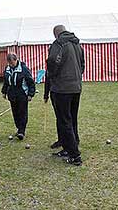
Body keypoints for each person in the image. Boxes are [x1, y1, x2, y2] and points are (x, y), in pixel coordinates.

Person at [46, 25, 84, 166]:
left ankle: (74, 155)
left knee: (64, 121)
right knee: (71, 119)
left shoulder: (59, 44)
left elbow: (52, 62)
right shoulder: (77, 44)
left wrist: (54, 77)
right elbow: (82, 65)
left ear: (56, 34)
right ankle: (69, 146)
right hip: (76, 87)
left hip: (62, 89)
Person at [1, 53, 36, 140]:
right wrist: (4, 92)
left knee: (22, 113)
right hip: (12, 94)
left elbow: (30, 82)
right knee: (15, 113)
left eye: (12, 62)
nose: (11, 65)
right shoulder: (7, 69)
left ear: (16, 60)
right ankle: (18, 128)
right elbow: (6, 81)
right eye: (9, 63)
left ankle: (21, 131)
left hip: (22, 94)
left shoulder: (23, 69)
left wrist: (31, 94)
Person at [43, 70, 62, 149]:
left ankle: (71, 140)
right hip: (54, 93)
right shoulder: (50, 66)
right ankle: (61, 139)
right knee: (59, 118)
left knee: (64, 118)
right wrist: (46, 95)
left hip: (63, 93)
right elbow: (47, 81)